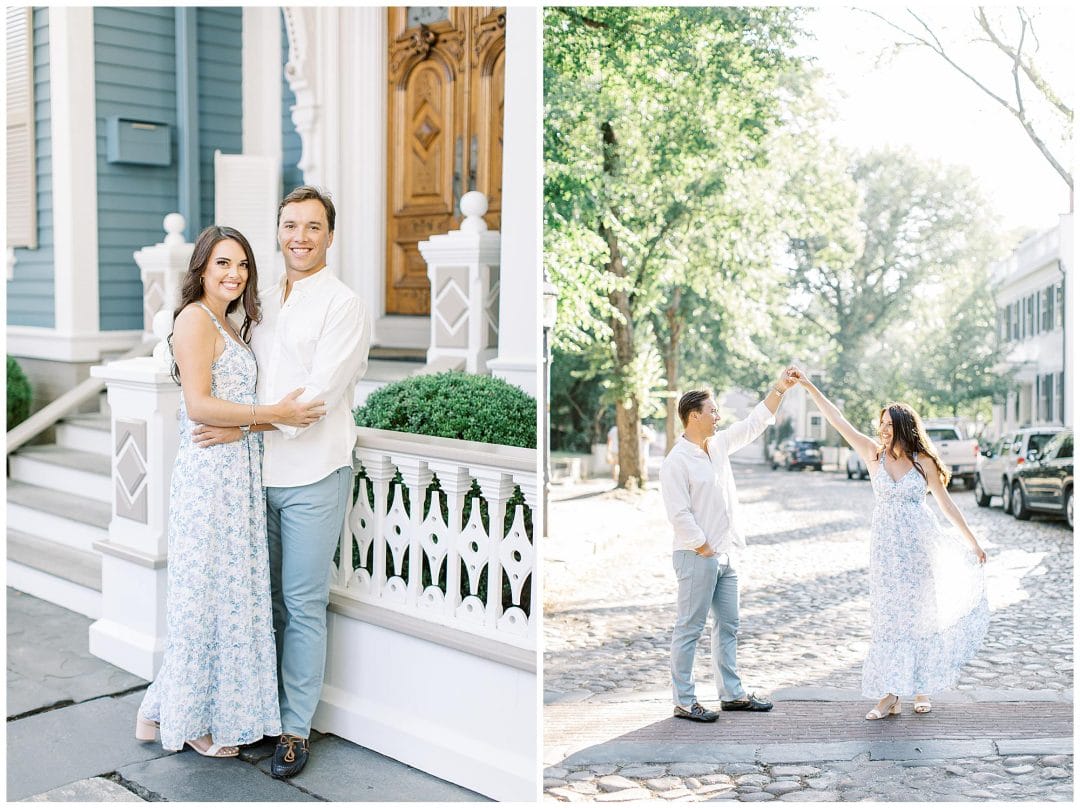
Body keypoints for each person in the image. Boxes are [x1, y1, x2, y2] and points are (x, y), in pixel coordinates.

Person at [135, 226, 326, 756]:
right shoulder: (194, 320)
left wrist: (254, 424)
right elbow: (198, 406)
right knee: (204, 598)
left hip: (238, 475)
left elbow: (235, 413)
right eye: (222, 263)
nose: (234, 274)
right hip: (208, 480)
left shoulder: (232, 324)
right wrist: (272, 415)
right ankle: (192, 724)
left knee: (227, 597)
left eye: (242, 264)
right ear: (201, 268)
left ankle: (158, 709)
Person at [251, 186, 369, 777]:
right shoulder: (261, 300)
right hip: (254, 474)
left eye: (313, 226)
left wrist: (246, 425)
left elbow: (315, 398)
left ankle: (295, 729)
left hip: (314, 473)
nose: (300, 236)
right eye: (290, 225)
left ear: (329, 235)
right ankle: (261, 713)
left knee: (300, 603)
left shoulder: (343, 304)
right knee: (262, 602)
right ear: (278, 231)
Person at [791, 368, 988, 720]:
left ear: (904, 427)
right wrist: (808, 385)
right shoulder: (872, 455)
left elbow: (946, 505)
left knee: (920, 616)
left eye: (889, 425)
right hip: (885, 551)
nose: (882, 430)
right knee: (888, 620)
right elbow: (837, 420)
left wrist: (972, 542)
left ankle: (922, 688)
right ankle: (890, 695)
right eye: (880, 424)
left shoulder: (922, 462)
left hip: (918, 549)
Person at [659, 369, 799, 722]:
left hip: (726, 553)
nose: (719, 417)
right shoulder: (676, 461)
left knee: (729, 624)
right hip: (696, 555)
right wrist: (703, 546)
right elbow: (679, 513)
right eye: (714, 411)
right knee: (690, 627)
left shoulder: (718, 445)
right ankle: (684, 699)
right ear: (695, 416)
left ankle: (732, 694)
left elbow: (754, 423)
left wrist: (780, 388)